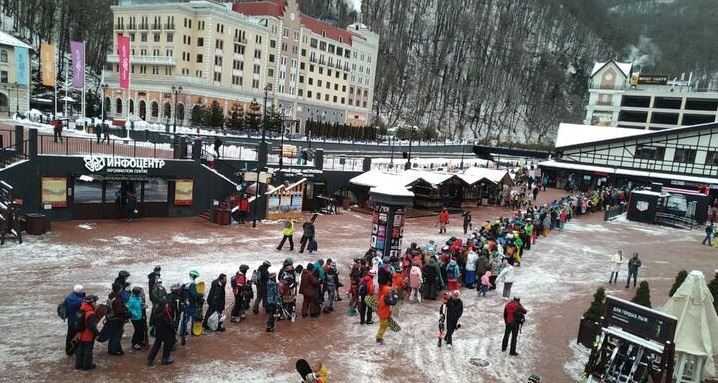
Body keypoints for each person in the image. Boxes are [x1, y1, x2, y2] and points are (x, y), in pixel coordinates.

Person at [147, 293, 176, 366]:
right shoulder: (171, 304)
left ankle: (150, 359)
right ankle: (165, 359)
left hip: (160, 327)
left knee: (157, 343)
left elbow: (154, 315)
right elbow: (173, 315)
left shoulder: (160, 305)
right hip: (168, 327)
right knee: (167, 343)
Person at [75, 295, 100, 370]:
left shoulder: (82, 308)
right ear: (92, 303)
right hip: (88, 334)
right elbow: (91, 326)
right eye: (95, 302)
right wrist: (97, 333)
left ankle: (79, 365)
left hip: (80, 333)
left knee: (81, 349)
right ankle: (87, 366)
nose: (96, 303)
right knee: (88, 350)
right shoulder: (90, 313)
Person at [179, 270, 203, 345]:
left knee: (185, 320)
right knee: (193, 319)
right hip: (192, 305)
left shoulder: (185, 283)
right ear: (194, 276)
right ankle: (192, 332)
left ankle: (182, 333)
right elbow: (194, 295)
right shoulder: (192, 285)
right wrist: (201, 295)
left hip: (186, 304)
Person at [106, 283, 130, 355]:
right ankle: (115, 350)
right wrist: (126, 313)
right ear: (119, 290)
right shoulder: (117, 299)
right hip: (117, 319)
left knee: (112, 334)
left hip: (111, 318)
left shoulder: (111, 296)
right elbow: (119, 311)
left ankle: (111, 349)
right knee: (117, 335)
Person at [64, 284, 85, 353]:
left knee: (69, 335)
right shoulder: (80, 301)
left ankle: (68, 350)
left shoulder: (68, 297)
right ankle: (76, 351)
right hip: (78, 322)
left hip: (70, 320)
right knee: (77, 337)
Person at [128, 286, 148, 350]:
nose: (142, 293)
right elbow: (129, 309)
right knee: (138, 330)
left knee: (140, 330)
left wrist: (144, 306)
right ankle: (136, 343)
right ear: (137, 293)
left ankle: (137, 341)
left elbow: (140, 305)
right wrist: (135, 314)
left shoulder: (139, 298)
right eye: (141, 292)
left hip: (140, 316)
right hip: (135, 318)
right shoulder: (132, 300)